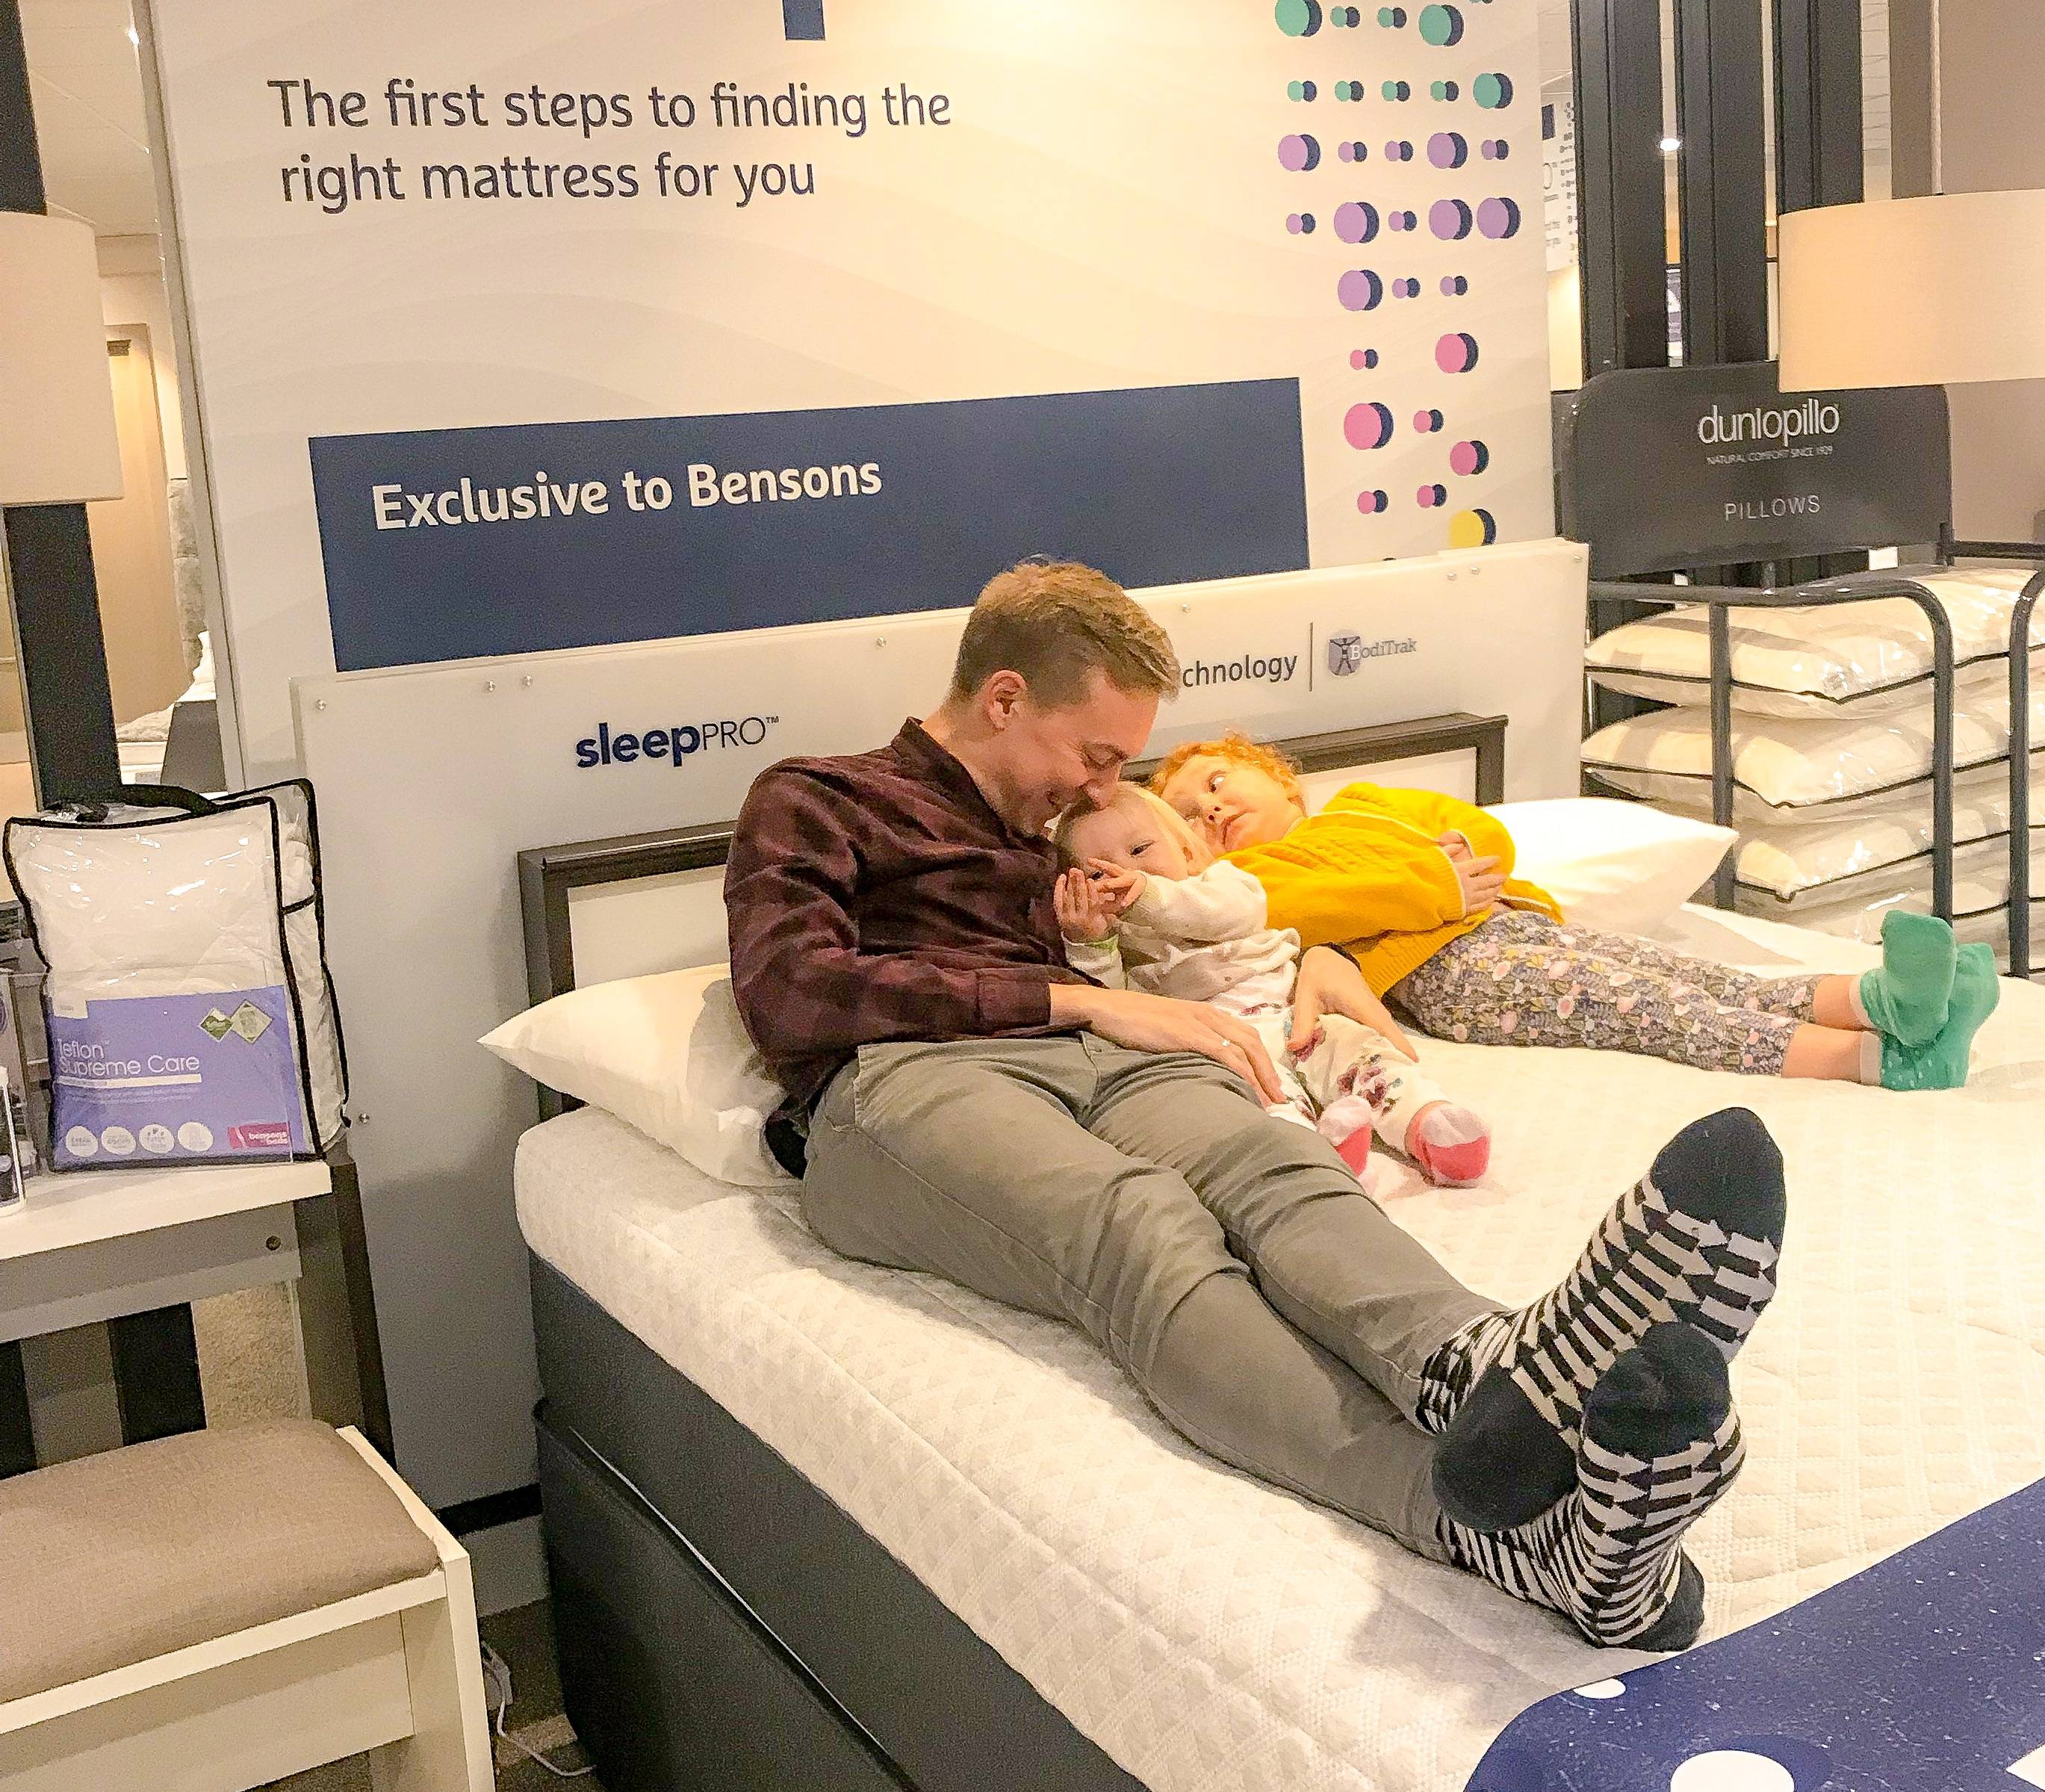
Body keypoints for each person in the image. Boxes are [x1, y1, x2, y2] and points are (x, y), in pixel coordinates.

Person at [724, 560, 1787, 1648]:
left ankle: (1478, 1365)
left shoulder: (1057, 832)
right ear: (1003, 699)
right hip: (903, 1080)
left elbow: (1225, 911)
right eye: (1091, 754)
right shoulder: (817, 797)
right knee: (1136, 1222)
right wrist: (1069, 1001)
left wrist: (1236, 975)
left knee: (1275, 1168)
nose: (1099, 787)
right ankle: (1473, 1518)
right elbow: (789, 990)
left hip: (1098, 1043)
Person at [1152, 733, 1998, 1094]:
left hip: (1516, 925)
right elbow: (1322, 904)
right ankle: (1882, 1063)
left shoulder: (1370, 801)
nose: (1210, 810)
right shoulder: (1253, 880)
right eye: (1185, 816)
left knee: (1696, 974)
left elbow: (1485, 835)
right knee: (1658, 1013)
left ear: (1272, 773)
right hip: (1450, 973)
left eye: (1217, 783)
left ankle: (1891, 1006)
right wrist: (1433, 881)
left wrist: (1455, 852)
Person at [1051, 781, 1492, 1185]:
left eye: (1140, 849)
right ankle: (1319, 1157)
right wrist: (1092, 942)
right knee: (1257, 1099)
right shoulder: (1124, 938)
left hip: (1290, 1016)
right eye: (1096, 874)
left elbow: (1221, 914)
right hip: (1222, 1042)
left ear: (1185, 851)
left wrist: (1148, 895)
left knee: (1361, 1049)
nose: (1121, 873)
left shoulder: (1225, 883)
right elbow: (1116, 1006)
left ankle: (1432, 1125)